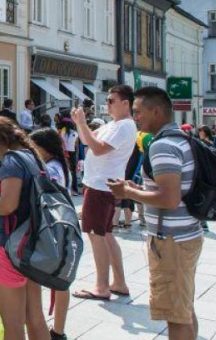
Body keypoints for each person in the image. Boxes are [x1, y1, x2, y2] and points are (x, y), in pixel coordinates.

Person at [108, 87, 203, 340]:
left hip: (172, 240)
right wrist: (140, 189)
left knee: (176, 316)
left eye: (138, 112)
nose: (135, 117)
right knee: (183, 309)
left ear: (156, 111)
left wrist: (128, 193)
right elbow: (172, 190)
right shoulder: (181, 139)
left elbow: (169, 199)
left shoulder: (162, 146)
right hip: (186, 235)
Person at [0, 116, 50, 340]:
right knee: (35, 318)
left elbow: (8, 205)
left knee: (13, 326)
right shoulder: (31, 157)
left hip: (8, 246)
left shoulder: (11, 162)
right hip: (30, 244)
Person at [71, 85, 136, 302]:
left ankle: (101, 286)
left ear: (125, 103)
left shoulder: (124, 126)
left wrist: (81, 123)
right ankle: (118, 282)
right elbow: (87, 140)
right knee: (106, 234)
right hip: (101, 184)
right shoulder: (114, 125)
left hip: (100, 186)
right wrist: (80, 123)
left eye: (111, 100)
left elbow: (97, 148)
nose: (107, 104)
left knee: (95, 235)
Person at [29, 128, 71, 340]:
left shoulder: (51, 169)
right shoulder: (58, 166)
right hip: (60, 228)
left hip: (52, 230)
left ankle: (55, 330)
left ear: (46, 149)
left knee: (55, 281)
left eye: (34, 148)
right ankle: (57, 330)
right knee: (60, 281)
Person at [58, 114, 79, 195]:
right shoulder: (75, 133)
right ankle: (74, 190)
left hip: (63, 152)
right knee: (73, 172)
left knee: (64, 170)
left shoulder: (61, 132)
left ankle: (65, 188)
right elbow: (76, 146)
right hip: (72, 153)